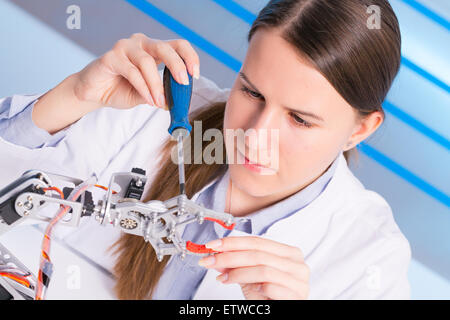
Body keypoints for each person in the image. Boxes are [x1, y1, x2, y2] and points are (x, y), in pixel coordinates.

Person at [0, 0, 411, 300]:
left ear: (361, 129)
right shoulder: (151, 111)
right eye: (251, 92)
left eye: (300, 119)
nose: (255, 136)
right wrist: (73, 95)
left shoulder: (371, 258)